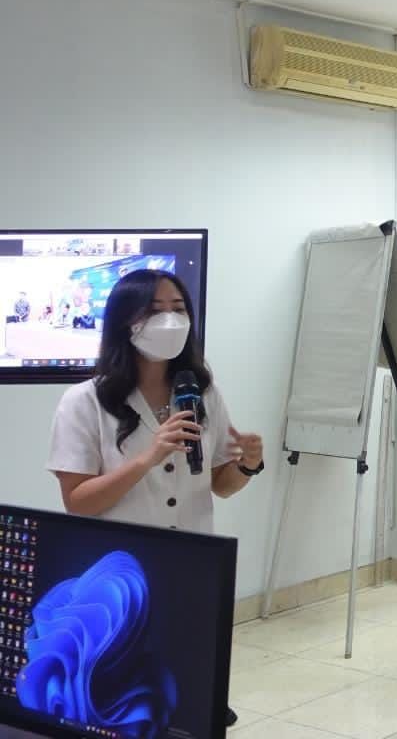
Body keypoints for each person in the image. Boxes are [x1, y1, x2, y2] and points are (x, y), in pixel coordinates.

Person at [46, 270, 264, 729]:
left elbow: (220, 485)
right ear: (125, 322)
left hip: (193, 565)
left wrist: (246, 464)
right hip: (122, 580)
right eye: (155, 310)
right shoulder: (84, 401)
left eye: (179, 309)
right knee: (127, 703)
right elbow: (78, 502)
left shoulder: (202, 393)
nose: (170, 320)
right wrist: (148, 457)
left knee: (190, 698)